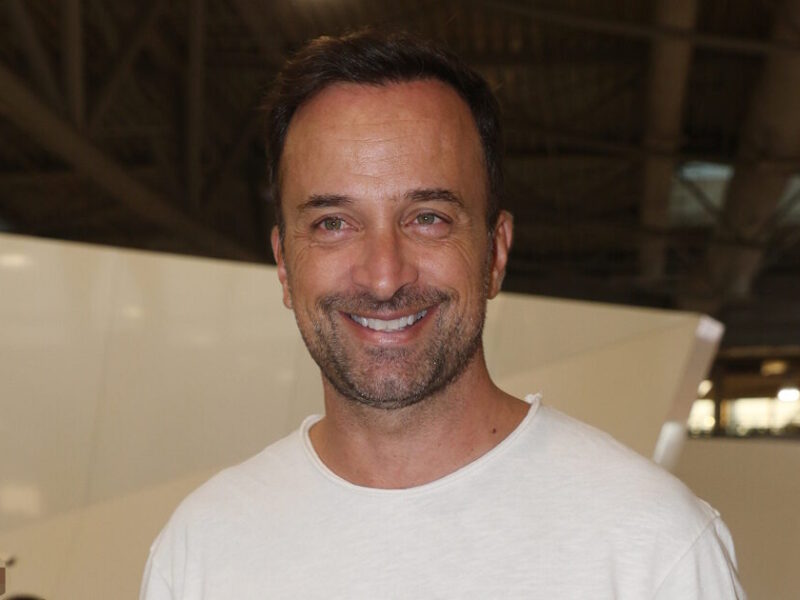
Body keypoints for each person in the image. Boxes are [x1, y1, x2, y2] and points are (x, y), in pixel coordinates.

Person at [141, 30, 745, 599]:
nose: (384, 276)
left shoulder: (653, 546)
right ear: (283, 264)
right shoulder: (202, 549)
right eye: (333, 223)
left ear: (495, 253)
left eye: (428, 217)